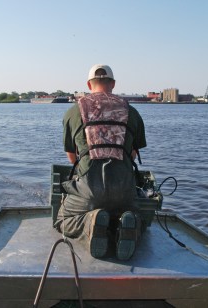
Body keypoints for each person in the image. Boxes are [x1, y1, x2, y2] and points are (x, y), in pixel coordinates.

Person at [55, 64, 147, 261]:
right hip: (124, 188)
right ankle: (126, 224)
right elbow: (132, 154)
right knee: (140, 218)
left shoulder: (73, 112)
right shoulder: (132, 111)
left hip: (89, 189)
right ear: (113, 84)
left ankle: (91, 221)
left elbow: (72, 157)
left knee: (63, 219)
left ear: (89, 84)